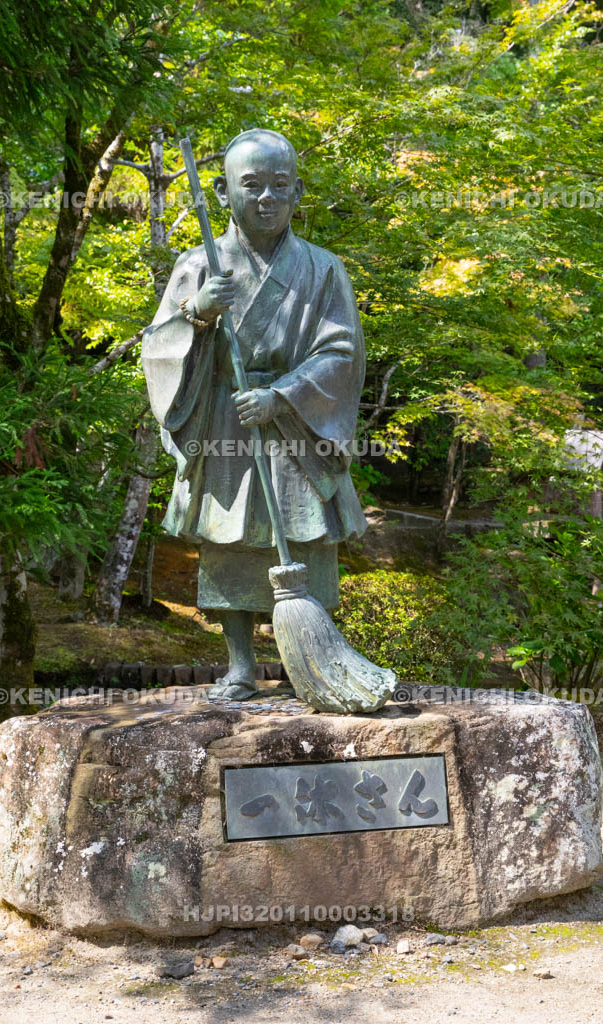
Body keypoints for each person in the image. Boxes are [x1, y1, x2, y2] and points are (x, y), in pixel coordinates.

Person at [142, 128, 367, 699]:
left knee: (304, 535)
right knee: (229, 540)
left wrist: (283, 395)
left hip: (295, 422)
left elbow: (342, 352)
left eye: (279, 185)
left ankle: (305, 662)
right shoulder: (199, 264)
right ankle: (240, 665)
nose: (267, 197)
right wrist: (197, 313)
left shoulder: (323, 269)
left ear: (297, 192)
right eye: (252, 185)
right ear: (223, 192)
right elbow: (158, 348)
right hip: (228, 419)